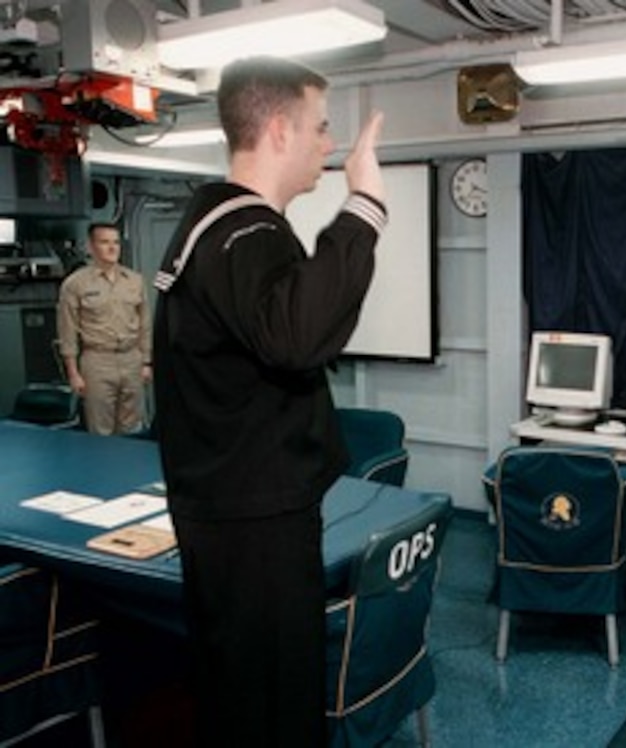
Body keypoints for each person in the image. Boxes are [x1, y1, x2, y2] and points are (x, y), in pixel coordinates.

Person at [152, 56, 387, 748]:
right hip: (253, 522)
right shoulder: (243, 230)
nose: (328, 145)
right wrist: (365, 205)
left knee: (244, 694)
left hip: (234, 510)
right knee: (272, 706)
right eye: (319, 127)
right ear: (280, 129)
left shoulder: (218, 224)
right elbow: (297, 334)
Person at [56, 222, 152, 435]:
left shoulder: (134, 281)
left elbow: (145, 324)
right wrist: (73, 373)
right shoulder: (75, 284)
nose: (112, 248)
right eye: (104, 242)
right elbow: (67, 331)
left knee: (134, 428)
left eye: (116, 242)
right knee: (100, 431)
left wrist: (146, 362)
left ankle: (130, 468)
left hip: (131, 359)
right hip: (97, 361)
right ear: (91, 247)